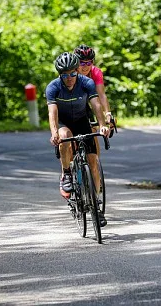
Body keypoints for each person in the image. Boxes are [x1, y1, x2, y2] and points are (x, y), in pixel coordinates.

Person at [46, 52, 110, 226]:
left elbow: (96, 105)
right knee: (64, 136)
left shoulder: (87, 83)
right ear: (60, 75)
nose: (69, 78)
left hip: (82, 121)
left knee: (93, 162)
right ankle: (66, 173)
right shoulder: (53, 87)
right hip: (64, 122)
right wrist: (54, 132)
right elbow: (52, 113)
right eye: (65, 75)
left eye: (73, 73)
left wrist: (103, 124)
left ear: (77, 71)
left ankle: (95, 203)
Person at [74, 44, 114, 128]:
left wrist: (108, 114)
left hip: (85, 101)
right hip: (69, 100)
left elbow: (101, 95)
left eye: (89, 62)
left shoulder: (95, 72)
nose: (86, 66)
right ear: (76, 62)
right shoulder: (70, 73)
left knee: (92, 130)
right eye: (82, 63)